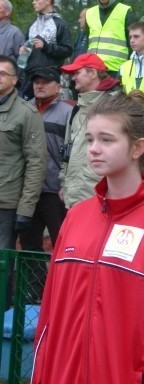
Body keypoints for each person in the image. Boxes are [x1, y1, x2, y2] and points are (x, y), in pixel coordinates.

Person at [31, 91, 144, 384]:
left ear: (137, 147)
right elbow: (49, 316)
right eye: (90, 139)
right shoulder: (77, 217)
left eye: (107, 140)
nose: (93, 148)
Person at [59, 53, 121, 208]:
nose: (73, 78)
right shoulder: (77, 109)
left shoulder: (115, 106)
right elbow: (68, 148)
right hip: (74, 195)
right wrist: (64, 183)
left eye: (77, 73)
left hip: (102, 198)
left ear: (93, 73)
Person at [0, 55, 46, 250]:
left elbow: (36, 162)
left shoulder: (27, 113)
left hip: (6, 202)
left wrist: (25, 209)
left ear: (15, 79)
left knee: (2, 265)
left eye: (3, 73)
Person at [25, 67, 72, 250]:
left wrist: (65, 182)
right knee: (28, 244)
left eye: (45, 82)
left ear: (58, 87)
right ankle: (33, 280)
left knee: (60, 241)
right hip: (27, 191)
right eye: (37, 82)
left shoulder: (69, 112)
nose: (40, 86)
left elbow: (71, 150)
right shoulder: (24, 109)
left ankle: (58, 279)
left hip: (54, 189)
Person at [19, 0, 72, 99]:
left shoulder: (60, 24)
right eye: (33, 0)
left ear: (48, 1)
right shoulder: (32, 24)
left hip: (49, 78)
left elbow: (67, 50)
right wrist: (24, 50)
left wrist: (46, 47)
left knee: (47, 113)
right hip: (30, 77)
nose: (33, 2)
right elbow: (28, 49)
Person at [86, 0, 136, 74]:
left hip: (116, 71)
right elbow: (86, 44)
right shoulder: (89, 13)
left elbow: (134, 46)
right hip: (92, 71)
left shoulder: (125, 12)